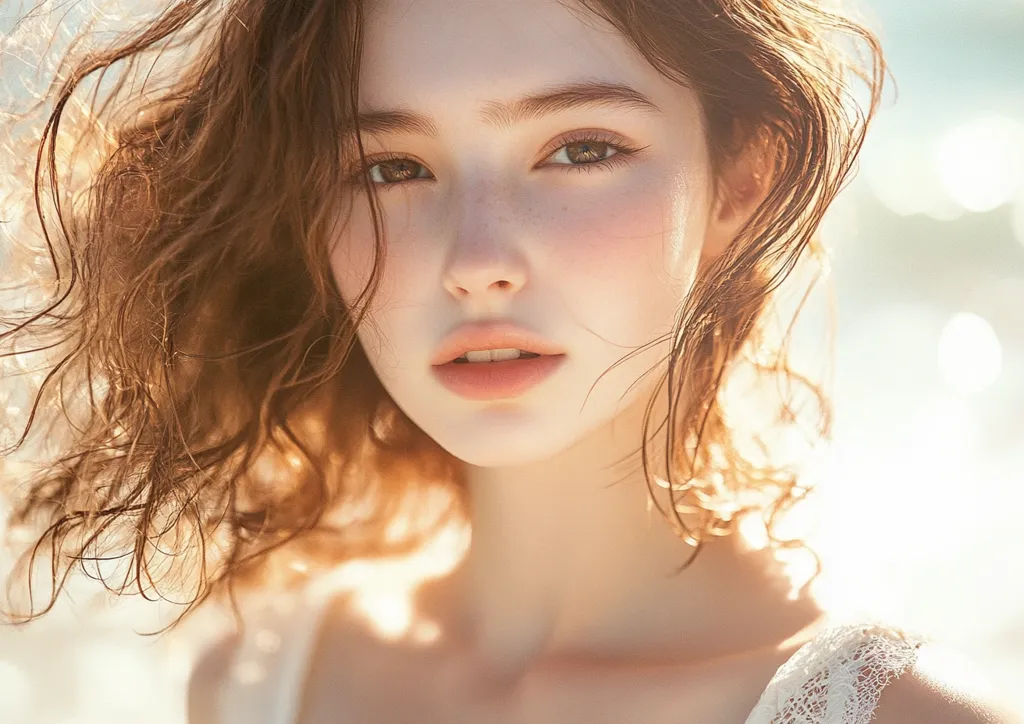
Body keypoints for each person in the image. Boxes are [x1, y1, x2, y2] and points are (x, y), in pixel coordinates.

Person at [0, 0, 1017, 722]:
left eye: (579, 148)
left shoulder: (893, 720)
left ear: (740, 178)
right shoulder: (258, 682)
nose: (476, 261)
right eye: (389, 168)